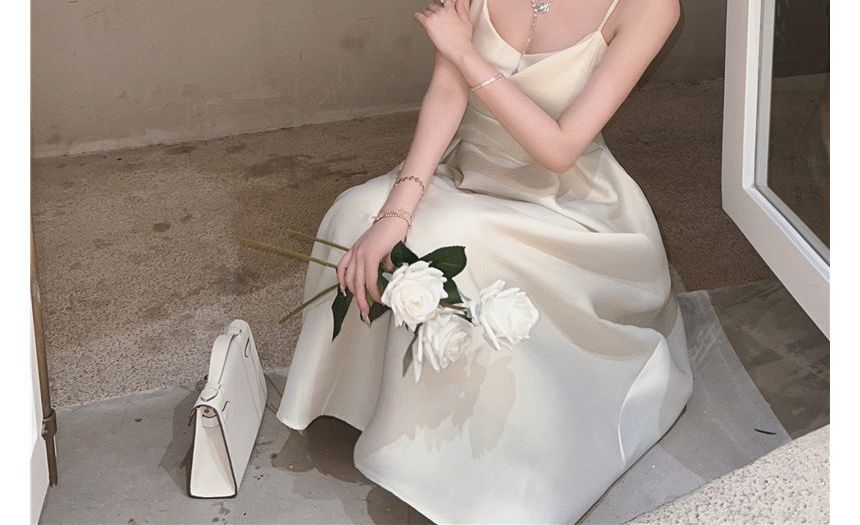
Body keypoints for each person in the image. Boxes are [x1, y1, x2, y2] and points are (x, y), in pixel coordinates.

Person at [276, 0, 693, 522]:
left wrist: (464, 53)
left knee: (451, 240)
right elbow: (447, 94)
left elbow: (560, 150)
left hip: (563, 204)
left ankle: (439, 449)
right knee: (354, 215)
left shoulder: (650, 8)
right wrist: (395, 212)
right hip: (465, 172)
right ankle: (360, 400)